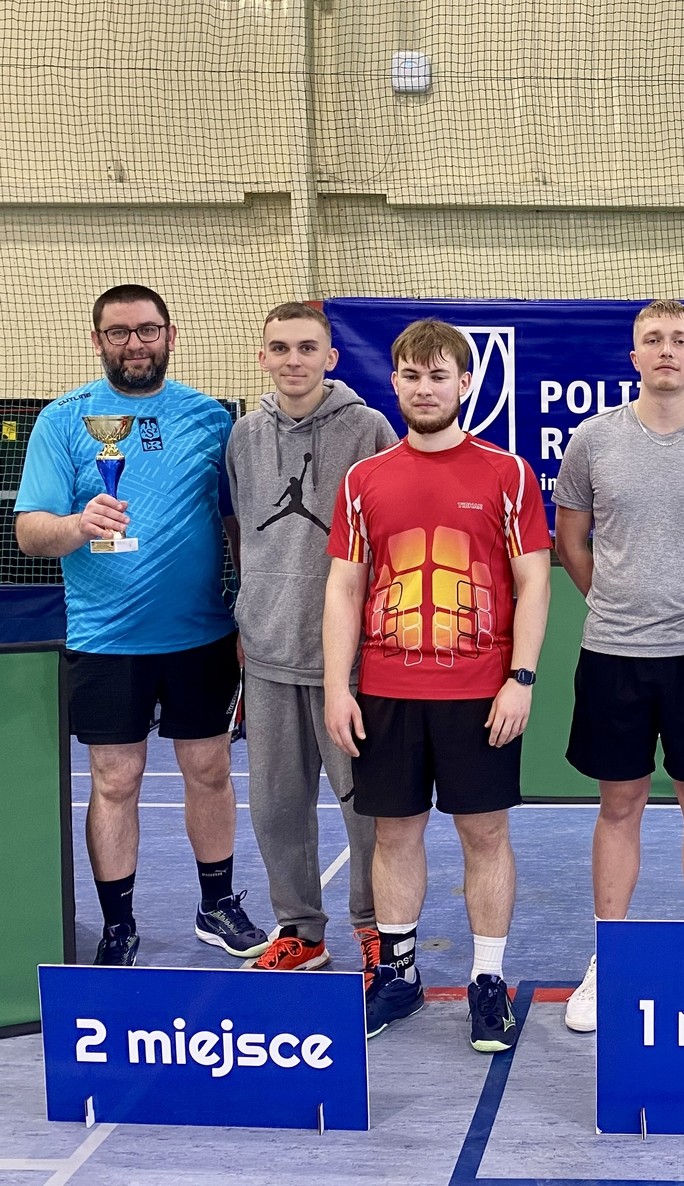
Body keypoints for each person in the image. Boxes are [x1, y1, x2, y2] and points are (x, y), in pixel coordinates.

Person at [15, 284, 268, 967]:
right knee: (115, 780)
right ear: (98, 340)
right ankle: (118, 924)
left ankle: (217, 904)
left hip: (201, 635)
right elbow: (30, 533)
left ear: (171, 335)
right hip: (106, 640)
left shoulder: (210, 418)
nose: (135, 344)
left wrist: (247, 609)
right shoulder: (63, 420)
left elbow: (236, 523)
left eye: (148, 330)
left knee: (209, 769)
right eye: (119, 332)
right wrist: (77, 524)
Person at [323, 319, 551, 1052]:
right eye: (413, 377)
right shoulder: (364, 480)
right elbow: (344, 587)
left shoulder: (508, 474)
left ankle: (487, 981)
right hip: (387, 692)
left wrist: (520, 678)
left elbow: (534, 581)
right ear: (395, 383)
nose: (426, 389)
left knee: (485, 834)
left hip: (480, 694)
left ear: (464, 384)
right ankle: (398, 976)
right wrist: (337, 686)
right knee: (394, 833)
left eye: (439, 376)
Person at [553, 299, 684, 1034]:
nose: (666, 350)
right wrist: (616, 602)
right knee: (619, 807)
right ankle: (609, 957)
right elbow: (571, 542)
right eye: (653, 340)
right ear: (634, 356)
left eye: (680, 340)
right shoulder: (593, 440)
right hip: (614, 654)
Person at [227, 302, 397, 974]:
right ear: (262, 357)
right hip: (268, 658)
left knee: (366, 809)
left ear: (331, 357)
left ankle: (376, 927)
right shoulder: (243, 437)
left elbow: (389, 539)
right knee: (276, 808)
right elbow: (244, 533)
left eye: (306, 348)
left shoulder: (370, 429)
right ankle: (300, 930)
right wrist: (251, 613)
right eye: (280, 348)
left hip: (349, 665)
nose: (292, 360)